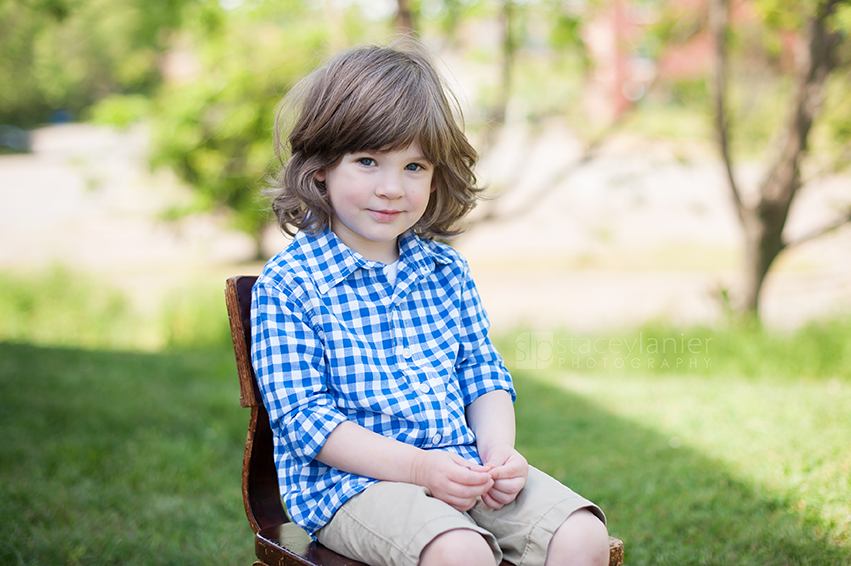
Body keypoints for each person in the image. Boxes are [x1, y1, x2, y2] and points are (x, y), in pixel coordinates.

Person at [251, 41, 609, 566]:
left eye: (414, 166)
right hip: (355, 489)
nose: (392, 188)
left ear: (437, 173)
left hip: (462, 468)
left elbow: (482, 373)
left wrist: (497, 452)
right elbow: (306, 420)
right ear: (322, 166)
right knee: (459, 551)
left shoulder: (445, 270)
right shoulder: (291, 284)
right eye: (368, 161)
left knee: (581, 535)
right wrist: (421, 469)